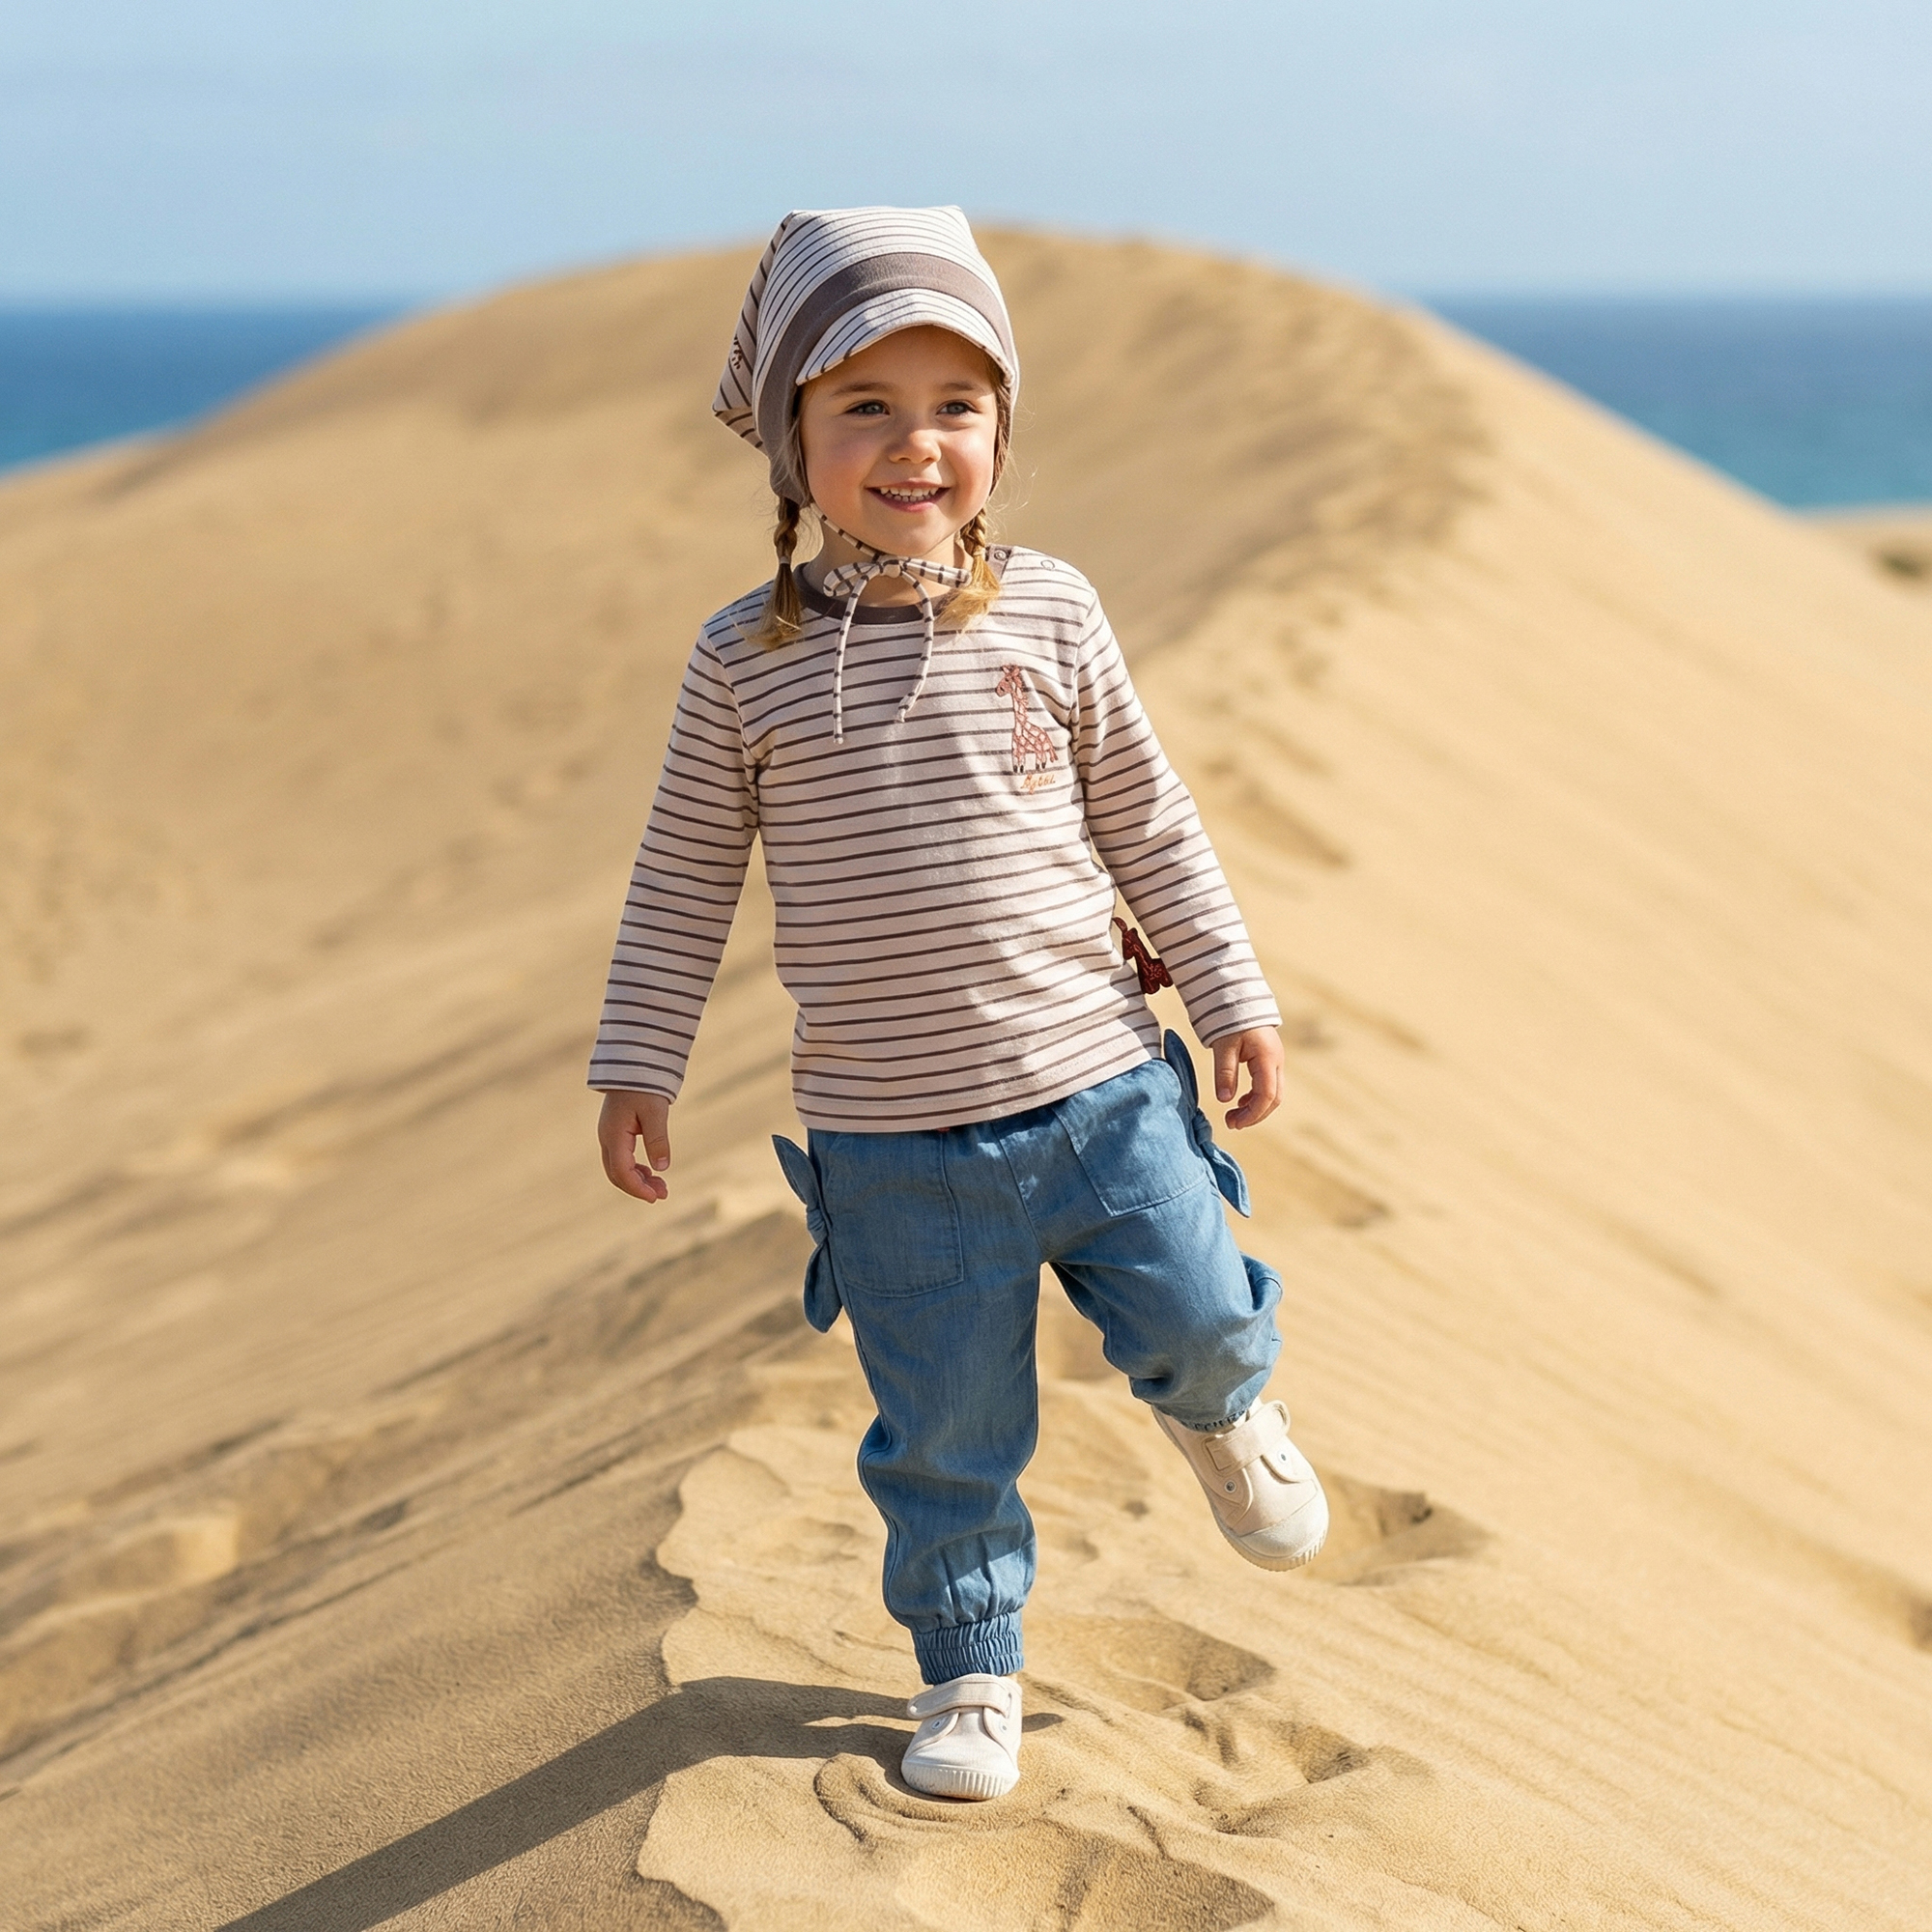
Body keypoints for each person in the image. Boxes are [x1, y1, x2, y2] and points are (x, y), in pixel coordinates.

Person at [590, 207, 1326, 1803]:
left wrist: (1230, 993)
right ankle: (971, 1674)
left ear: (1002, 429)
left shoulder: (1050, 609)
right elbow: (682, 875)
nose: (914, 446)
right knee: (946, 1442)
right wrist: (638, 1062)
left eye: (956, 407)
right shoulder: (744, 661)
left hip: (1106, 1091)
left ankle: (1224, 1415)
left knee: (1201, 1309)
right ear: (789, 440)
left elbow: (1150, 815)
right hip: (892, 1151)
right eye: (862, 406)